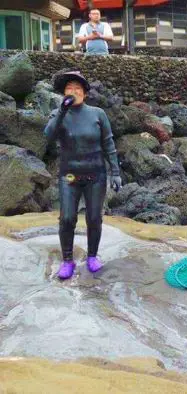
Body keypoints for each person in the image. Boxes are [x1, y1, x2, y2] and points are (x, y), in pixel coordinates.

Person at [43, 71, 122, 280]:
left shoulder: (98, 114)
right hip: (69, 177)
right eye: (70, 88)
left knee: (94, 218)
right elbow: (48, 135)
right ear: (64, 93)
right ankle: (67, 260)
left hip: (95, 175)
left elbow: (109, 144)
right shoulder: (58, 114)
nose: (74, 91)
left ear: (85, 94)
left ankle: (93, 256)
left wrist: (116, 172)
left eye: (78, 88)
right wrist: (61, 111)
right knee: (67, 218)